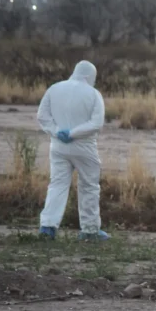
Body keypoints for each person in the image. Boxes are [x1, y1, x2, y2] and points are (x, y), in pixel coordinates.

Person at [37, 60, 109, 241]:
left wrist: (56, 132)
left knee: (57, 185)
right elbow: (96, 123)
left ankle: (48, 227)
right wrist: (74, 133)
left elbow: (42, 116)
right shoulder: (93, 94)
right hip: (84, 147)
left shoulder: (54, 89)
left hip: (58, 146)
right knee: (89, 186)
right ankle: (90, 230)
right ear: (90, 76)